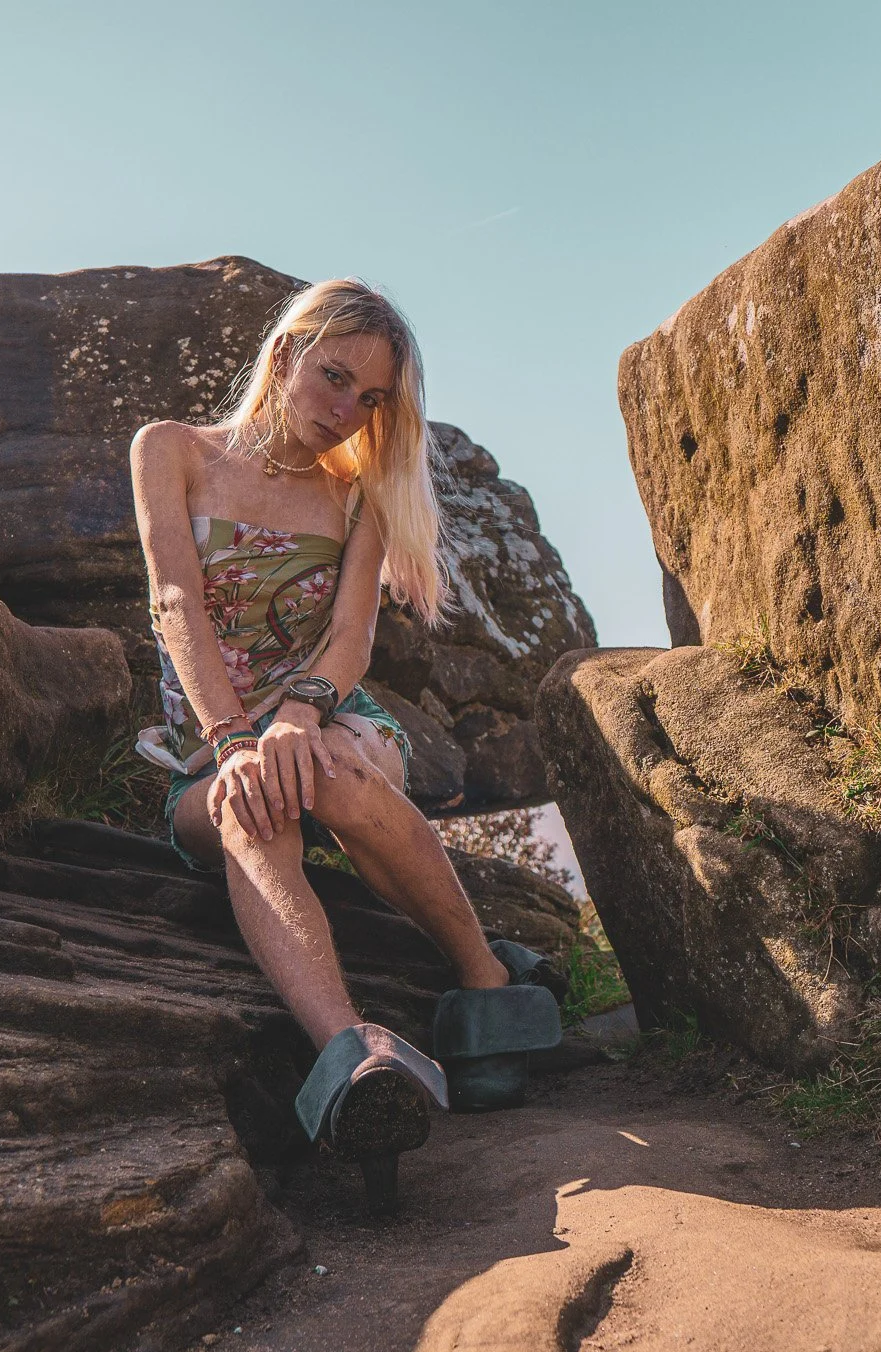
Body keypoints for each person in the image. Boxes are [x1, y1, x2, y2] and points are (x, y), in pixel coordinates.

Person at [130, 279, 563, 1211]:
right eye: (334, 378)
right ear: (286, 354)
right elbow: (174, 602)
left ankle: (483, 980)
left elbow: (353, 637)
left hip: (336, 721)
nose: (345, 411)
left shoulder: (357, 495)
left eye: (369, 399)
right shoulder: (170, 451)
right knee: (252, 808)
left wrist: (297, 717)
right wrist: (235, 740)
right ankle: (354, 1059)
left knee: (326, 770)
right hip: (208, 749)